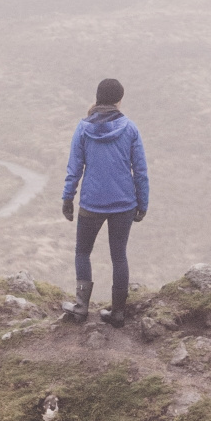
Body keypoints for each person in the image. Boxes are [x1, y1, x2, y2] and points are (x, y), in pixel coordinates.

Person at [61, 78, 149, 325]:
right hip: (124, 203)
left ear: (98, 97)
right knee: (119, 255)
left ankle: (80, 307)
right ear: (119, 100)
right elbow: (140, 170)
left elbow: (74, 168)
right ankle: (118, 313)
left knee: (82, 252)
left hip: (91, 203)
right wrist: (143, 202)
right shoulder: (130, 128)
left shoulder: (82, 128)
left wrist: (68, 198)